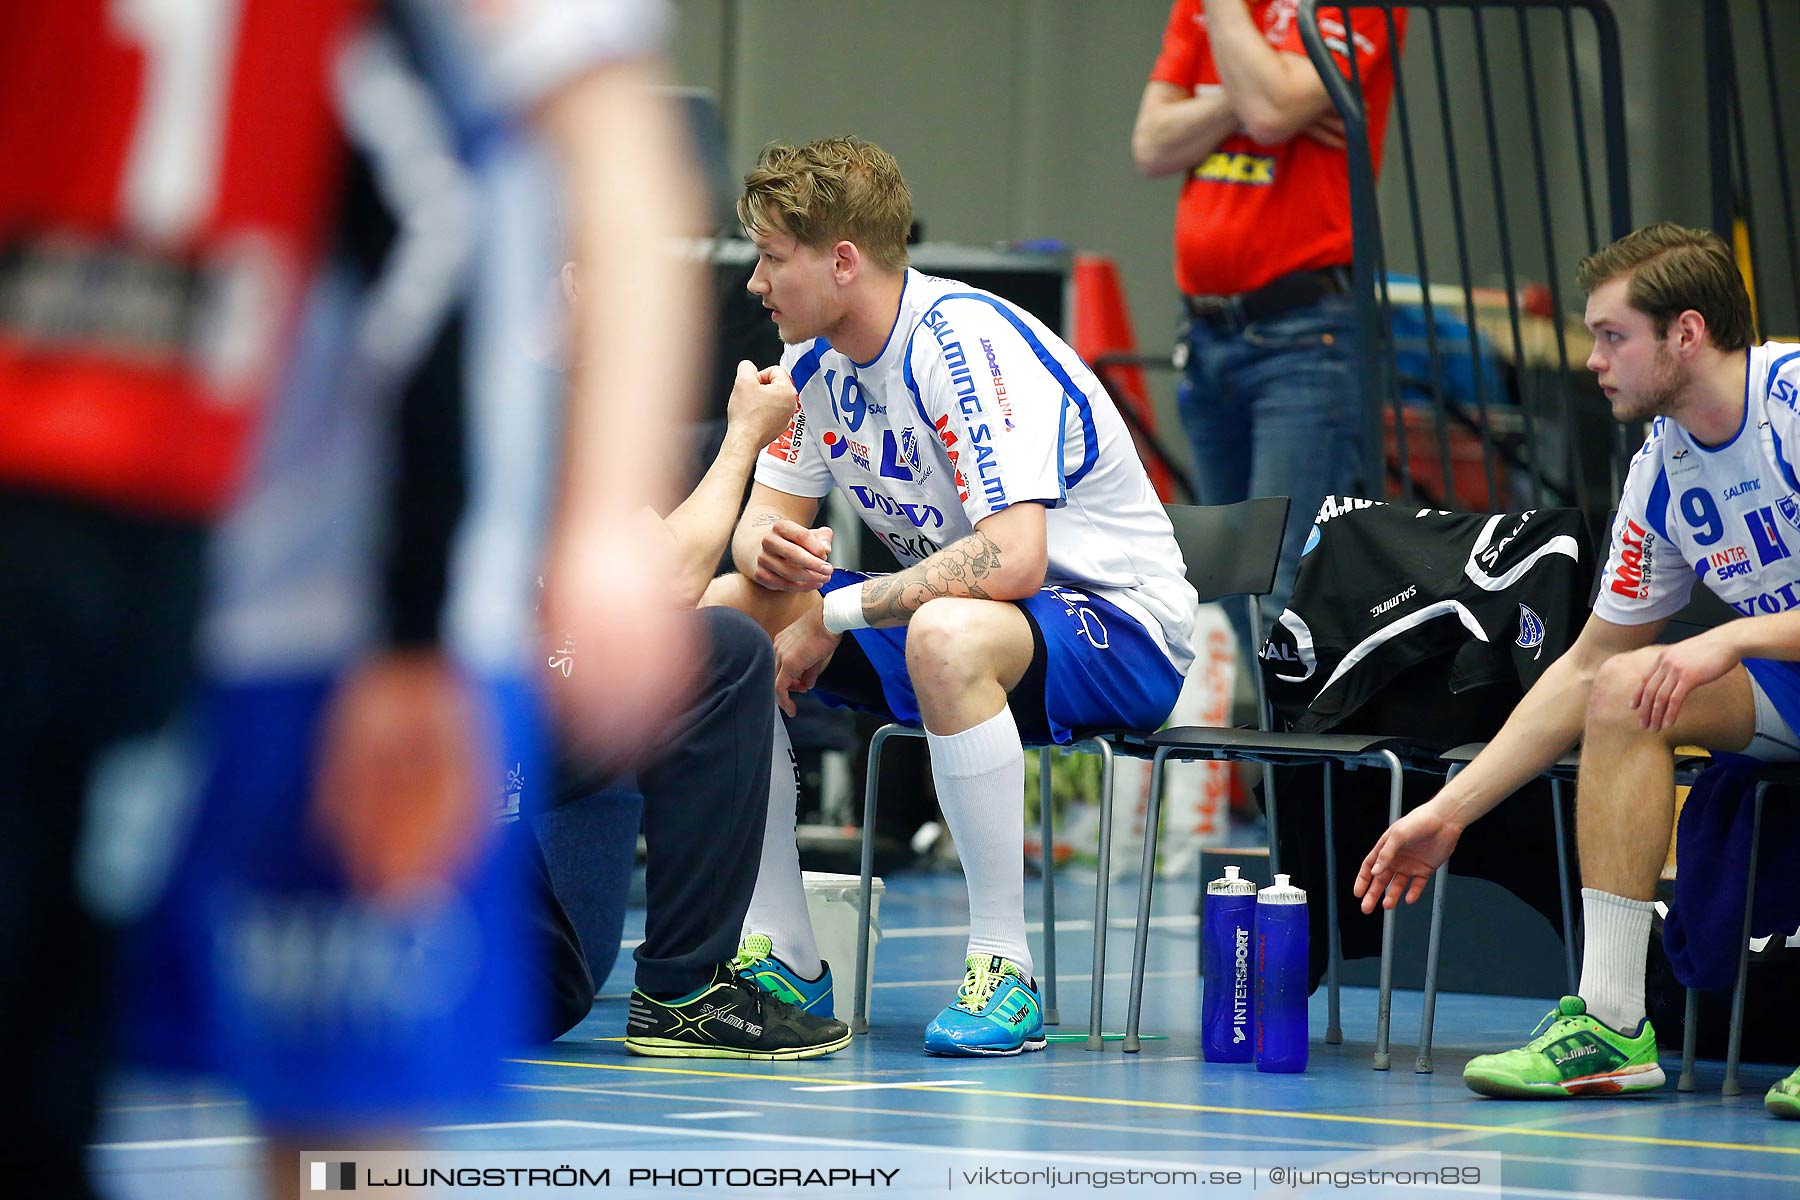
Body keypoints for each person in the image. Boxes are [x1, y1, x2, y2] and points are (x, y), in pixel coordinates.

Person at [705, 136, 1200, 1058]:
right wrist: (765, 548)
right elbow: (759, 527)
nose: (754, 282)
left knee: (942, 633)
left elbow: (1011, 560)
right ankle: (784, 954)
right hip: (960, 611)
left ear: (842, 260)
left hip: (1118, 626)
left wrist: (836, 612)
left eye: (773, 256)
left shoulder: (960, 345)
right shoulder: (812, 364)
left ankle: (1002, 970)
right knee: (725, 617)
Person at [1352, 222, 1800, 1117]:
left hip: (1769, 656)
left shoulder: (1792, 398)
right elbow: (1586, 665)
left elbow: (1727, 643)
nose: (1593, 360)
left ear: (1685, 332)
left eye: (1611, 336)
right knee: (1627, 688)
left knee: (1673, 661)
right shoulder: (1664, 466)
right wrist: (1447, 811)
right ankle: (1610, 1025)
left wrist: (1733, 639)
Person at [1132, 0, 1406, 652]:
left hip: (1307, 337)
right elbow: (1150, 143)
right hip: (1208, 333)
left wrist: (1243, 94)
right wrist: (1247, 95)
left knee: (1285, 585)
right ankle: (1267, 756)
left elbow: (1272, 113)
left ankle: (1295, 758)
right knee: (1227, 582)